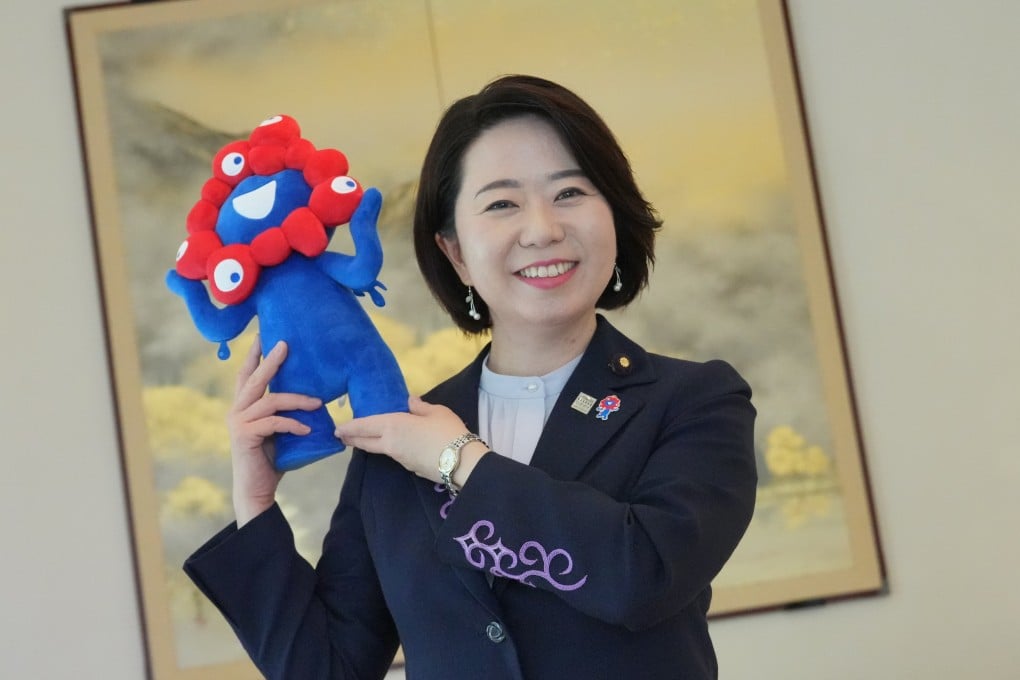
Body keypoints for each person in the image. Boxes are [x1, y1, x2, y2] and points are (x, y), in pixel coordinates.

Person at [185, 74, 757, 680]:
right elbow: (329, 670)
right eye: (502, 204)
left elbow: (643, 576)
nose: (542, 229)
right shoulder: (396, 437)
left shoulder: (695, 401)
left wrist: (459, 461)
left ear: (614, 215)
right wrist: (255, 502)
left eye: (569, 192)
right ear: (454, 251)